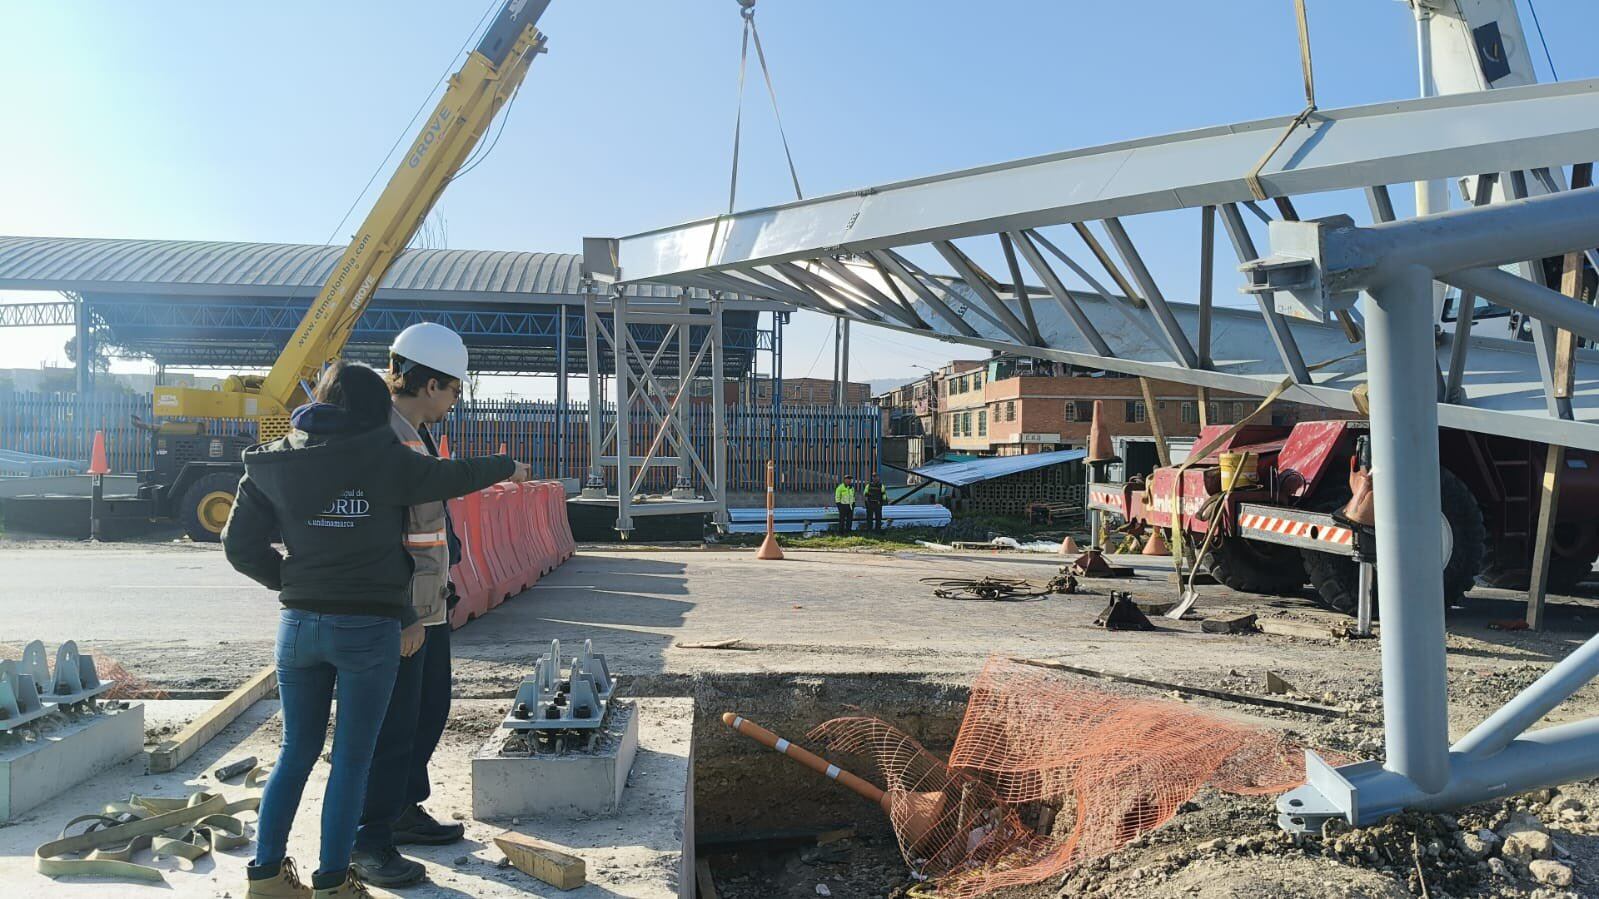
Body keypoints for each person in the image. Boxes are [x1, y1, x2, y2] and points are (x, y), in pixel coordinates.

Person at [224, 362, 526, 899]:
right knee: (353, 758)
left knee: (295, 751)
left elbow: (238, 546)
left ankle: (266, 878)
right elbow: (450, 478)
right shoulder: (383, 458)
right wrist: (506, 466)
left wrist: (294, 581)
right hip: (369, 627)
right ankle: (333, 883)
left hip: (297, 627)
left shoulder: (272, 462)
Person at [352, 324, 474, 886]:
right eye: (454, 391)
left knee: (428, 710)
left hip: (428, 606)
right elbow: (381, 537)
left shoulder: (416, 431)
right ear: (430, 384)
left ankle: (403, 808)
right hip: (399, 613)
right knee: (390, 726)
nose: (455, 401)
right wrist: (403, 611)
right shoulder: (384, 434)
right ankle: (367, 839)